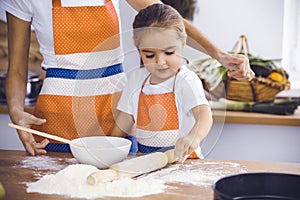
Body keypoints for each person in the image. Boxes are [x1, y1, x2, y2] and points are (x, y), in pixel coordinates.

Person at [0, 0, 253, 156]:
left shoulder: (149, 84)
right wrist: (15, 110)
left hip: (115, 113)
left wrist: (219, 54)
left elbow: (168, 21)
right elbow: (17, 69)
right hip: (57, 120)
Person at [111, 4, 213, 162]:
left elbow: (204, 115)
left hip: (183, 163)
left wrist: (195, 136)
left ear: (183, 44)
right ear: (139, 51)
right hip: (146, 162)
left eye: (169, 52)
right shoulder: (136, 79)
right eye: (150, 55)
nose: (160, 62)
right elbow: (125, 120)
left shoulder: (185, 80)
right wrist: (109, 147)